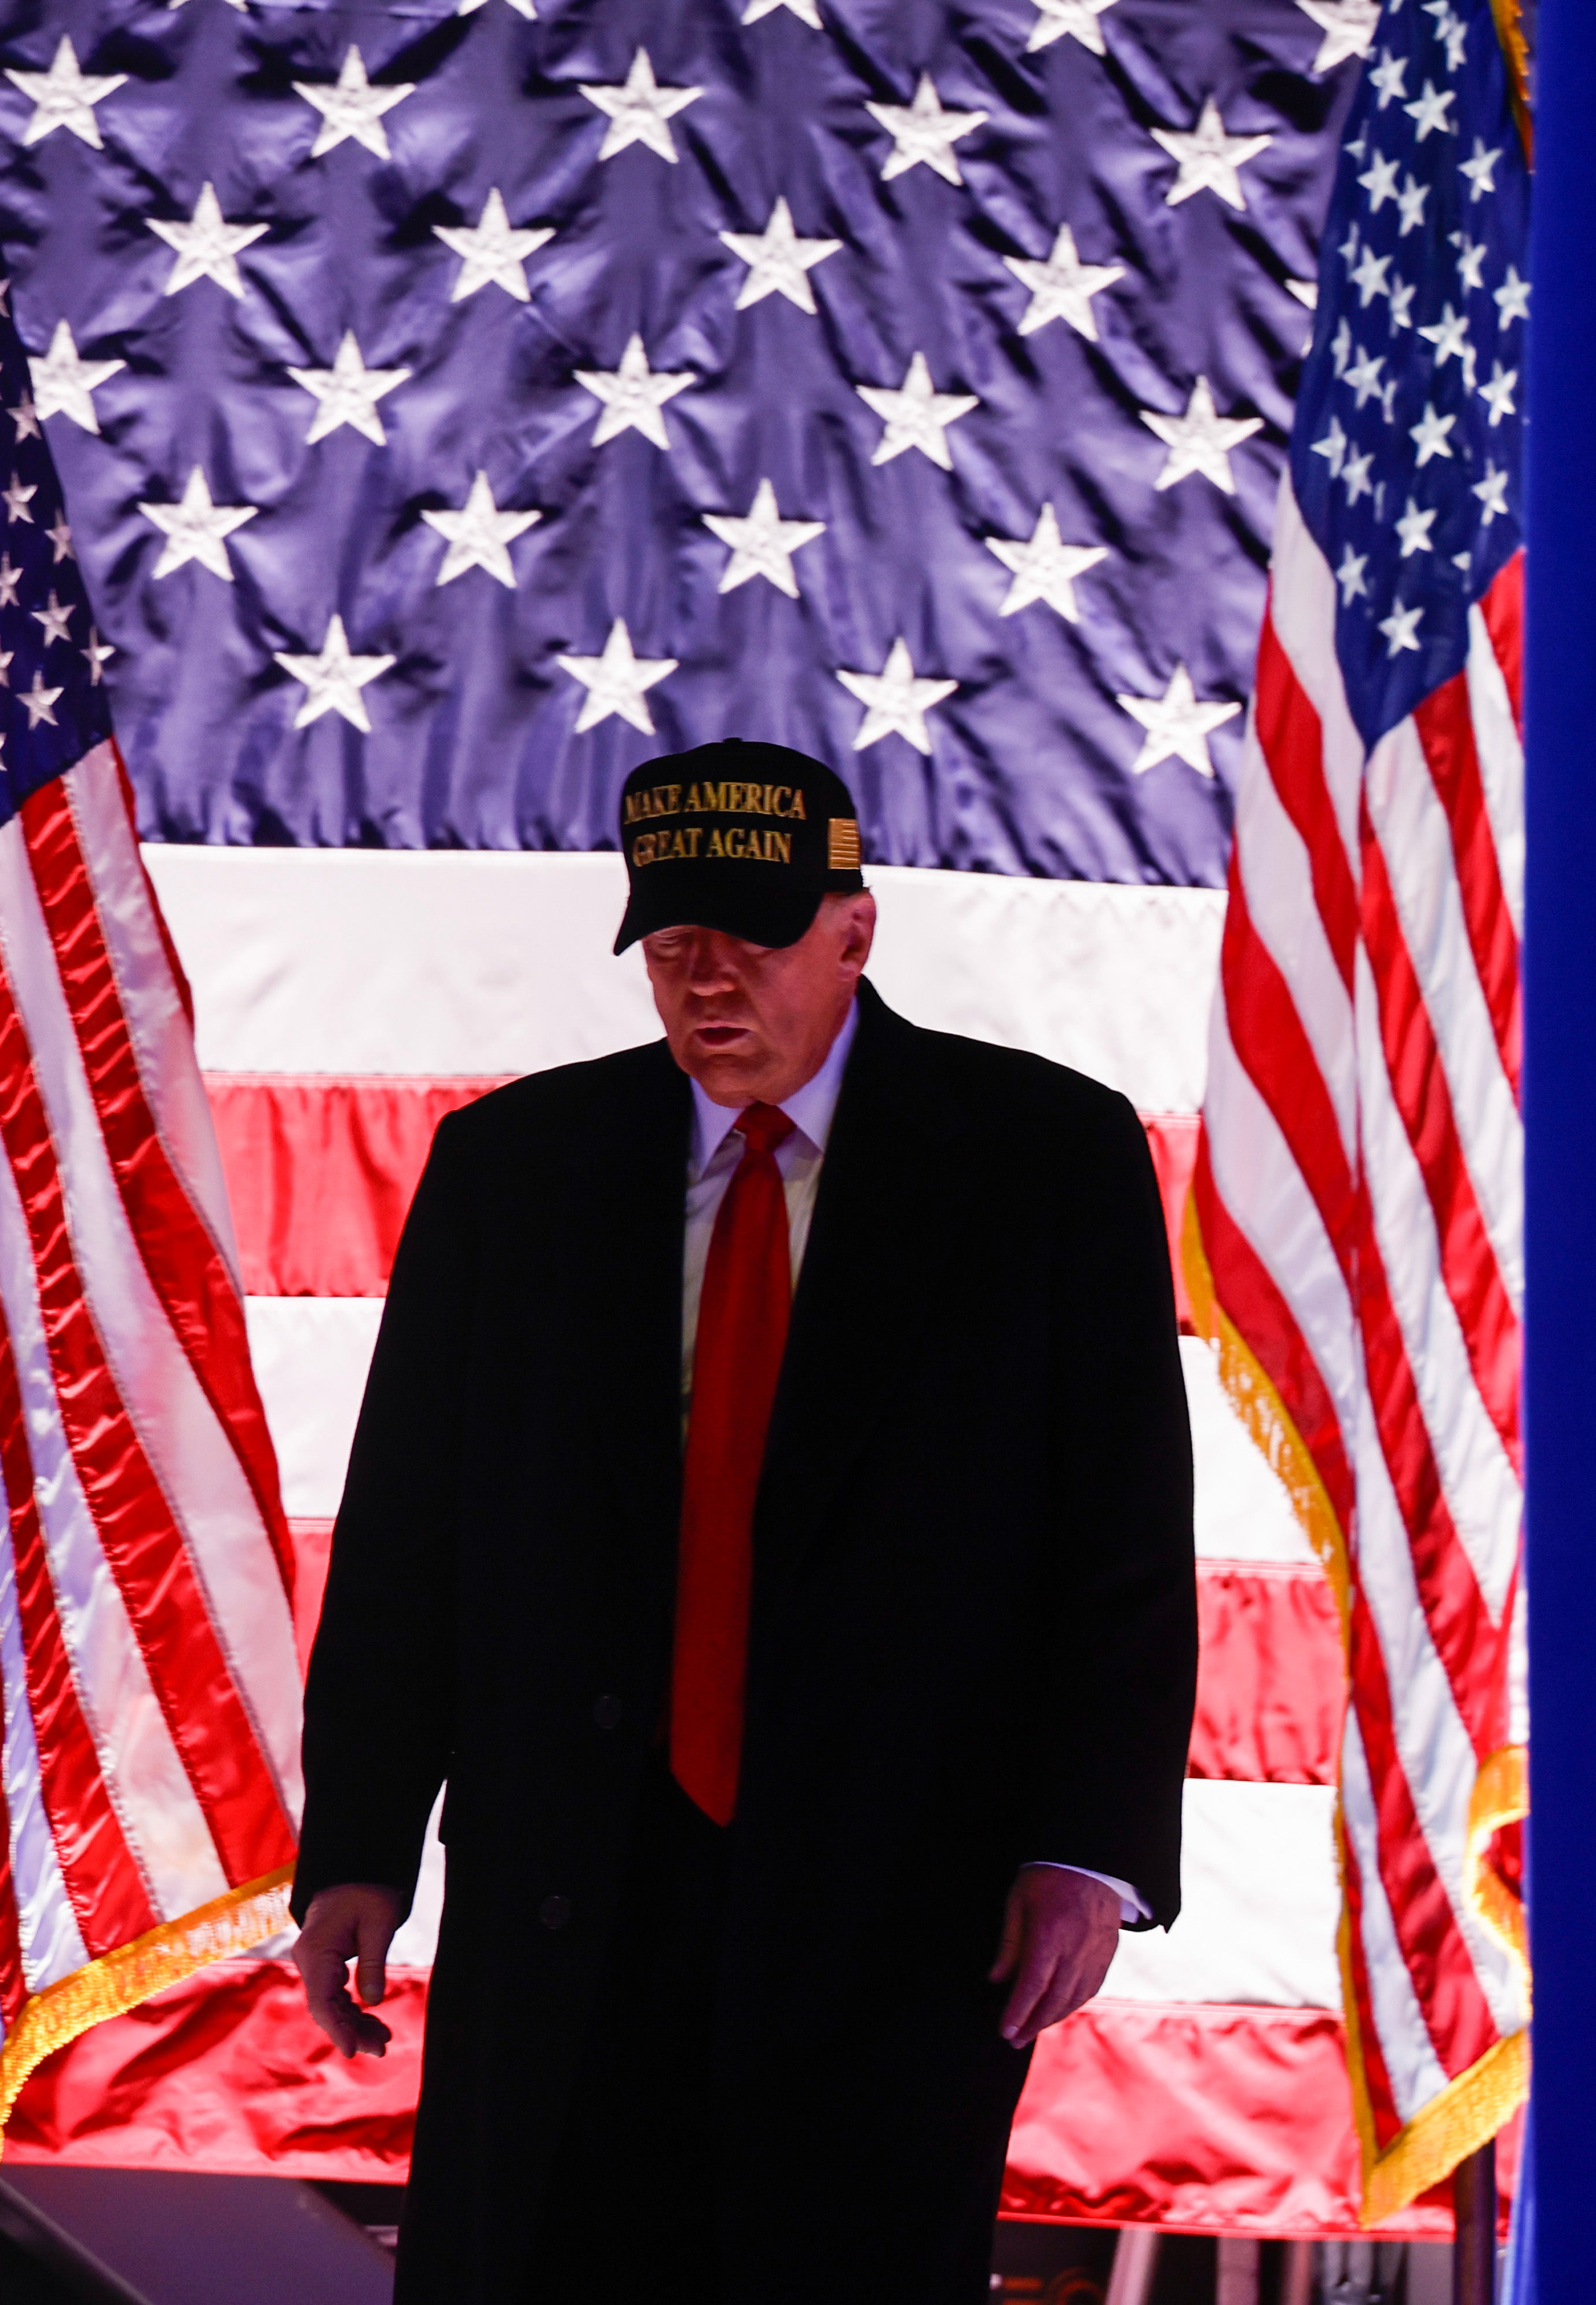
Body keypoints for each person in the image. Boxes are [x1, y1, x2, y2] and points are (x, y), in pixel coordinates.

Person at [290, 740, 1196, 2301]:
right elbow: (407, 1540)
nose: (709, 982)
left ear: (855, 927)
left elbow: (1119, 1542)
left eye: (752, 939)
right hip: (574, 1890)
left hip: (897, 1906)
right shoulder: (515, 1171)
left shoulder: (1047, 1163)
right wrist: (359, 1840)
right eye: (672, 943)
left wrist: (1089, 1848)